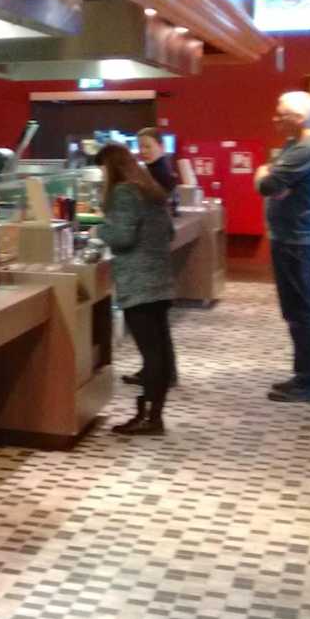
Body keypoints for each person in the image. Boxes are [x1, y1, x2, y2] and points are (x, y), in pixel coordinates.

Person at [255, 90, 310, 402]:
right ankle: (304, 376)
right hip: (291, 238)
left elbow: (267, 184)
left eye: (281, 114)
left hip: (296, 241)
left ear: (299, 118)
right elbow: (277, 184)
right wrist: (275, 179)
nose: (275, 119)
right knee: (295, 312)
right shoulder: (296, 145)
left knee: (301, 313)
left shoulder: (307, 150)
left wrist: (264, 173)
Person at [95, 143, 176, 435]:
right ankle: (154, 415)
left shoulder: (124, 192)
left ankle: (149, 418)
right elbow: (169, 232)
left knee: (151, 353)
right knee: (160, 351)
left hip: (138, 283)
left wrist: (98, 228)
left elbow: (122, 237)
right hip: (161, 281)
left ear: (110, 168)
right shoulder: (152, 191)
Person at [136, 127, 180, 197]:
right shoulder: (146, 170)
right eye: (140, 147)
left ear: (161, 147)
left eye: (147, 147)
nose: (143, 151)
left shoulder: (163, 175)